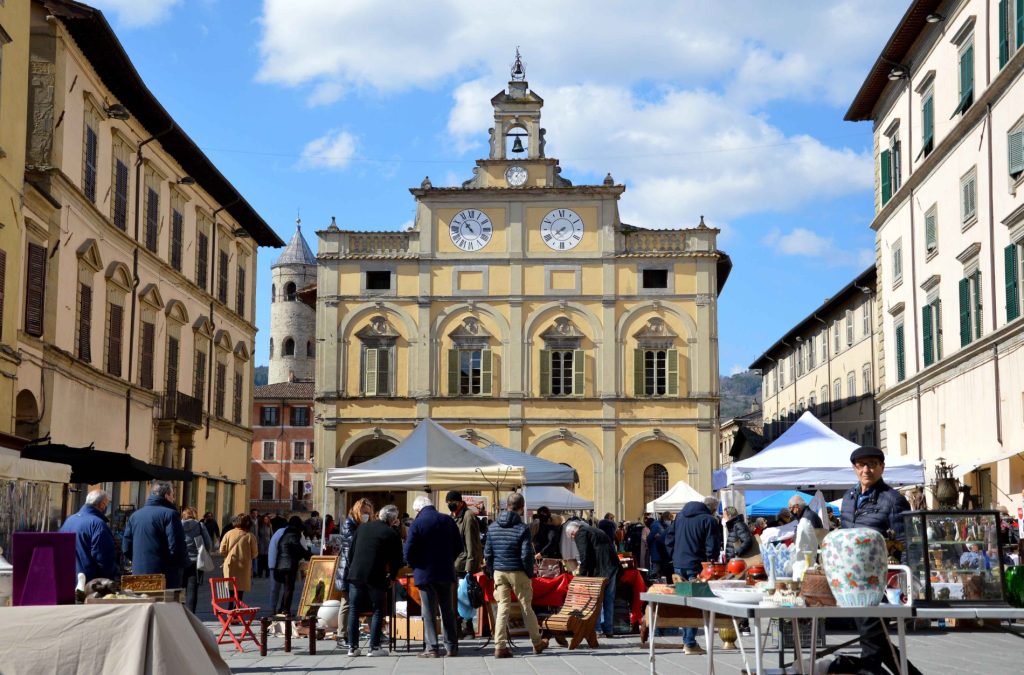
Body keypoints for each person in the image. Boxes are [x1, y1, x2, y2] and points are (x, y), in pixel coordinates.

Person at [840, 445, 922, 675]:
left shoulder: (893, 499)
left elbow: (905, 542)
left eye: (872, 465)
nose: (866, 470)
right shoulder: (848, 498)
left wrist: (905, 584)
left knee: (871, 642)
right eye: (861, 465)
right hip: (853, 582)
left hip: (881, 583)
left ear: (882, 467)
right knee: (876, 639)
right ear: (855, 468)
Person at [483, 492, 547, 658]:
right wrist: (529, 573)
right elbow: (526, 555)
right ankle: (537, 642)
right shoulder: (522, 528)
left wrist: (492, 571)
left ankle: (500, 646)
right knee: (526, 606)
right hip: (518, 571)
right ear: (521, 508)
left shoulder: (492, 527)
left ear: (506, 506)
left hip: (499, 571)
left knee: (503, 607)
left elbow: (487, 553)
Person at [404, 495, 463, 658]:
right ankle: (451, 647)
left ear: (418, 509)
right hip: (446, 571)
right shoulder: (448, 520)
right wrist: (448, 559)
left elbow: (408, 550)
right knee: (447, 610)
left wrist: (415, 564)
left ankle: (432, 648)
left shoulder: (417, 523)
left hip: (425, 572)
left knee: (428, 611)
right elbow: (459, 546)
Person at [345, 505, 404, 657]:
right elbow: (397, 559)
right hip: (376, 575)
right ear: (393, 520)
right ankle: (374, 647)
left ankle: (352, 647)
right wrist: (392, 577)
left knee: (354, 609)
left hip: (356, 574)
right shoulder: (391, 533)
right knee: (377, 609)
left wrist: (353, 569)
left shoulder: (362, 527)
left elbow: (351, 553)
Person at [666, 496, 721, 655]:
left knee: (684, 601)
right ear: (712, 509)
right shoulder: (708, 520)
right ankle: (689, 642)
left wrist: (674, 555)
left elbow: (669, 538)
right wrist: (711, 562)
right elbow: (712, 545)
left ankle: (687, 640)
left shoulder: (680, 516)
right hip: (697, 565)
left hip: (679, 563)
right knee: (695, 603)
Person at [122, 481, 187, 588]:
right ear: (166, 495)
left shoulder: (135, 515)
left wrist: (140, 560)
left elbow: (126, 547)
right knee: (163, 599)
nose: (173, 499)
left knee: (142, 598)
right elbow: (176, 547)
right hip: (164, 575)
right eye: (173, 495)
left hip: (139, 572)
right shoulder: (170, 514)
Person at [565, 519, 622, 639]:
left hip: (601, 570)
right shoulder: (595, 530)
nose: (573, 540)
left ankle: (597, 629)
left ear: (573, 533)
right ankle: (609, 629)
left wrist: (582, 576)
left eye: (572, 538)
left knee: (596, 600)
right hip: (612, 566)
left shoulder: (581, 534)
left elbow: (584, 555)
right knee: (609, 599)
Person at [335, 498, 374, 646]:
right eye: (364, 512)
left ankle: (375, 632)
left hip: (359, 568)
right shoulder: (349, 524)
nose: (366, 515)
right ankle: (341, 635)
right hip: (348, 569)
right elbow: (354, 544)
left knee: (367, 601)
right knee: (346, 602)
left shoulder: (362, 525)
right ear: (358, 511)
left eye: (368, 513)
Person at [59, 489, 117, 581]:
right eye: (106, 504)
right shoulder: (98, 524)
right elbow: (105, 559)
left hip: (66, 578)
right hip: (89, 582)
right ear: (102, 505)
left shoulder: (69, 520)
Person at [446, 490, 482, 637]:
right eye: (448, 503)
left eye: (453, 502)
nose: (450, 505)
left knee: (465, 595)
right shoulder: (452, 516)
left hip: (464, 564)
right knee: (457, 597)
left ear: (460, 502)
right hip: (454, 563)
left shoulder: (468, 516)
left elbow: (472, 544)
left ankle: (467, 627)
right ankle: (459, 627)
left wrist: (469, 568)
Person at [272, 516, 312, 615]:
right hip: (288, 566)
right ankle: (285, 610)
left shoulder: (285, 534)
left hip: (280, 564)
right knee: (289, 588)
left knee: (286, 588)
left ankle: (282, 608)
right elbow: (298, 549)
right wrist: (310, 555)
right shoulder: (293, 535)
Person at [181, 506, 213, 614]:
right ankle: (191, 616)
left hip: (181, 561)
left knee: (180, 588)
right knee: (192, 589)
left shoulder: (177, 525)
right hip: (196, 561)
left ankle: (179, 613)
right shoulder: (200, 525)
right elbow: (208, 544)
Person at [219, 514, 258, 601]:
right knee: (240, 586)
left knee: (230, 584)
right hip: (244, 565)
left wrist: (228, 555)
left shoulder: (228, 533)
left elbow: (222, 550)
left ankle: (230, 604)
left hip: (230, 563)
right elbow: (255, 554)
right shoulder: (250, 536)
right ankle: (238, 604)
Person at [267, 514, 289, 613]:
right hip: (283, 565)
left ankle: (273, 609)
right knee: (286, 588)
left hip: (274, 565)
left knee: (274, 589)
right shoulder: (285, 533)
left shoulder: (276, 534)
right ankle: (283, 608)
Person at [647, 512, 673, 582]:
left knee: (660, 572)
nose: (670, 521)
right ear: (665, 519)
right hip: (656, 552)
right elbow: (649, 538)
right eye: (669, 519)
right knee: (656, 571)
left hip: (661, 553)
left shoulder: (663, 526)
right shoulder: (657, 526)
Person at [257, 514, 273, 578]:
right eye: (264, 519)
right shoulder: (259, 526)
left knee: (267, 559)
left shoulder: (270, 526)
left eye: (267, 519)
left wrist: (271, 543)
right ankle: (260, 573)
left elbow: (271, 535)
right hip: (261, 544)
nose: (265, 520)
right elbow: (257, 534)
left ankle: (267, 573)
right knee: (260, 559)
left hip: (268, 544)